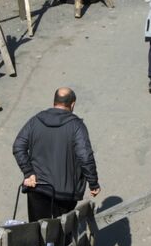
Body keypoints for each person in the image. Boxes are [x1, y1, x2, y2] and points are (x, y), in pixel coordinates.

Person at [12, 87, 101, 221]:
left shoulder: (35, 120)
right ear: (72, 104)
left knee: (38, 232)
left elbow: (18, 146)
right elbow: (85, 156)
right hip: (64, 193)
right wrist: (93, 183)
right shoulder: (76, 126)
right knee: (62, 234)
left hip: (37, 187)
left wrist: (29, 172)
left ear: (54, 101)